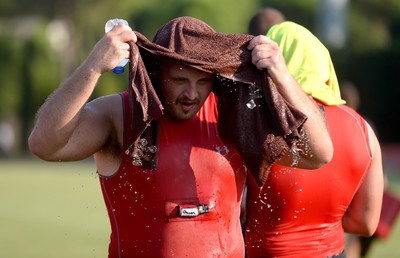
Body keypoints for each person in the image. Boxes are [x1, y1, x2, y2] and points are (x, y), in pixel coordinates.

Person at [28, 16, 333, 257]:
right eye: (179, 80)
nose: (191, 93)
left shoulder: (234, 114)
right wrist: (93, 67)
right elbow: (43, 144)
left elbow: (320, 154)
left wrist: (282, 75)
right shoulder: (120, 115)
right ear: (157, 72)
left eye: (202, 81)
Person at [243, 21, 384, 258]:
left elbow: (236, 208)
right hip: (334, 252)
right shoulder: (363, 128)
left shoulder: (260, 126)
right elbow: (366, 223)